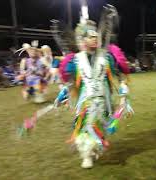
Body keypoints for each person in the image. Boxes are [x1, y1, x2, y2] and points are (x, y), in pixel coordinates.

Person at [59, 5, 132, 169]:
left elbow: (118, 75)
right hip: (86, 101)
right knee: (86, 126)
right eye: (90, 37)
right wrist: (64, 92)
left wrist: (123, 89)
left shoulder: (106, 57)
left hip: (103, 100)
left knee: (99, 127)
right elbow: (71, 81)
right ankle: (86, 155)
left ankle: (92, 150)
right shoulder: (76, 60)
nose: (94, 39)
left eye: (95, 36)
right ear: (83, 40)